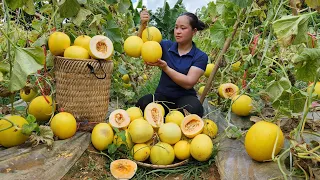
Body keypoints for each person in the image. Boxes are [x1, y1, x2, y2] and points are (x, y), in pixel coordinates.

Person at [136, 9, 208, 117]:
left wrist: (166, 68)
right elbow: (140, 44)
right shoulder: (165, 46)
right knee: (143, 103)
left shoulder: (200, 56)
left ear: (194, 31)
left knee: (195, 108)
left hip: (185, 98)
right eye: (176, 27)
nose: (178, 31)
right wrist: (143, 25)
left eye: (183, 28)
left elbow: (188, 83)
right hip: (162, 97)